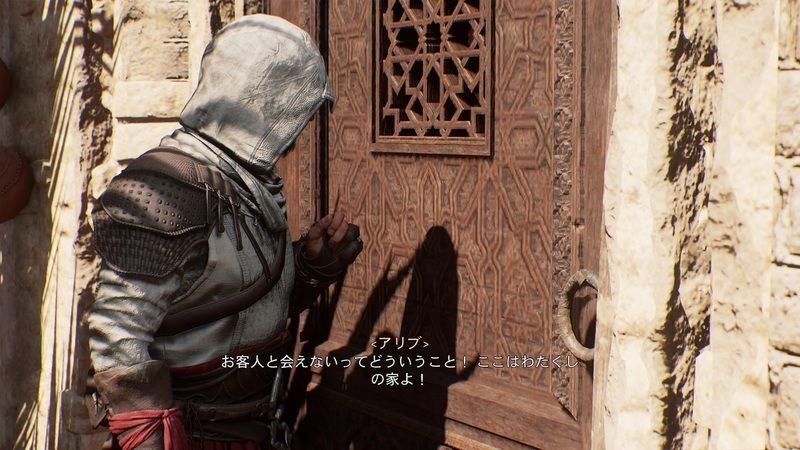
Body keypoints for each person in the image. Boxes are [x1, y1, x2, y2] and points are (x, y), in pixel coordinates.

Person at [86, 14, 362, 450]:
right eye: (298, 110)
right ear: (267, 98)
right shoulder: (164, 187)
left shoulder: (247, 182)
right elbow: (118, 336)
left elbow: (232, 305)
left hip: (252, 429)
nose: (301, 128)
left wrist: (309, 264)